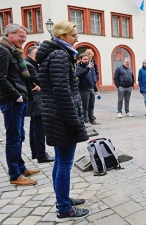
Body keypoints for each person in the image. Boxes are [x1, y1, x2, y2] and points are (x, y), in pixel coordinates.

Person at [35, 20, 89, 221]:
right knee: (65, 163)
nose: (77, 38)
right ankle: (64, 208)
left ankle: (63, 199)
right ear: (62, 36)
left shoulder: (56, 53)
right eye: (74, 35)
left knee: (60, 161)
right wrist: (74, 120)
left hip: (57, 114)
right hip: (61, 116)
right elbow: (62, 91)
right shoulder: (59, 54)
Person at [0, 23, 41, 186]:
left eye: (25, 36)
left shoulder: (13, 51)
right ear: (10, 35)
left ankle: (21, 168)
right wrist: (16, 96)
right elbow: (1, 78)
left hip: (19, 100)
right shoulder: (3, 51)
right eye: (21, 36)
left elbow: (20, 76)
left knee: (19, 136)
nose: (24, 40)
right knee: (13, 138)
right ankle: (15, 175)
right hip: (11, 101)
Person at [25, 46, 55, 163]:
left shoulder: (30, 63)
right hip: (36, 99)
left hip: (35, 98)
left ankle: (36, 152)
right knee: (39, 128)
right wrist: (43, 86)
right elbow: (39, 80)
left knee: (35, 126)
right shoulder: (28, 64)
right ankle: (41, 154)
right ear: (32, 55)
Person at [76, 53, 97, 126]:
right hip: (84, 90)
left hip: (91, 89)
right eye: (84, 59)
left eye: (87, 59)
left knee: (91, 105)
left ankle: (91, 119)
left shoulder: (89, 67)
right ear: (80, 59)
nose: (86, 60)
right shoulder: (79, 67)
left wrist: (95, 89)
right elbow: (79, 75)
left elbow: (92, 79)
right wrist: (87, 68)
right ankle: (86, 120)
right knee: (85, 106)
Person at [85, 49, 100, 122]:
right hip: (86, 85)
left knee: (92, 103)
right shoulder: (85, 63)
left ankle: (91, 116)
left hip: (93, 83)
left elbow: (96, 71)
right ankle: (87, 118)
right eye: (88, 54)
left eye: (91, 54)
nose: (90, 55)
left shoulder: (93, 62)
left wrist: (96, 78)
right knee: (86, 103)